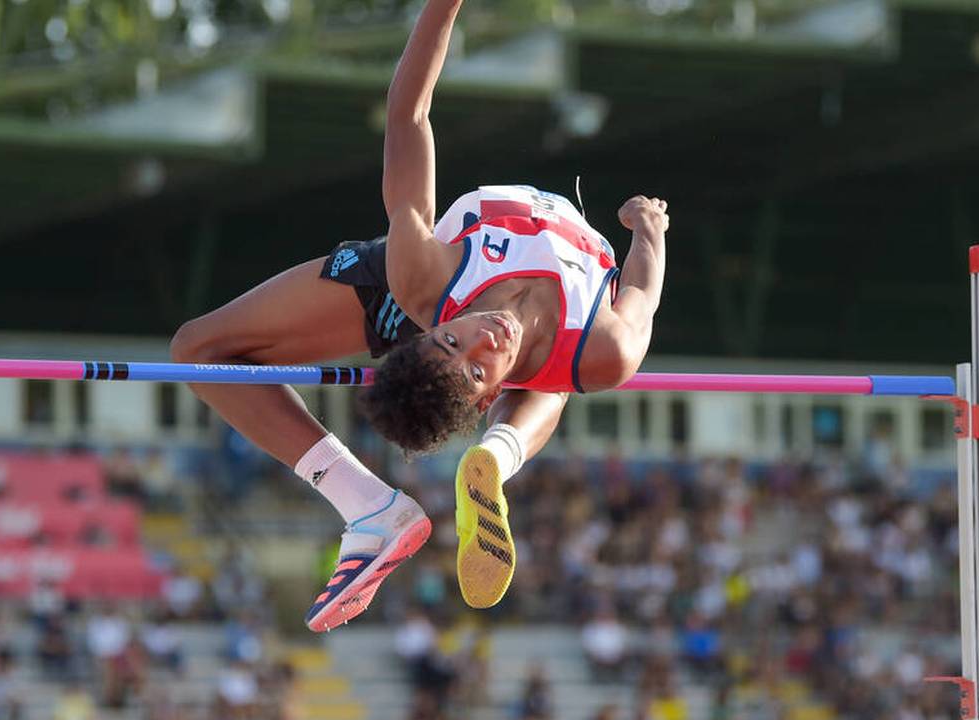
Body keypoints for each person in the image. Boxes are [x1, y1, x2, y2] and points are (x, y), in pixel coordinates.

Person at [169, 0, 668, 631]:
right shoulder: (602, 348)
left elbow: (409, 113)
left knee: (196, 348)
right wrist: (650, 230)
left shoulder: (423, 278)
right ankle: (480, 461)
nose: (485, 340)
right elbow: (641, 294)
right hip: (558, 343)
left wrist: (442, 6)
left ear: (432, 334)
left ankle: (408, 491)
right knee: (571, 366)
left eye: (454, 344)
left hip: (421, 284)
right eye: (477, 368)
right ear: (487, 396)